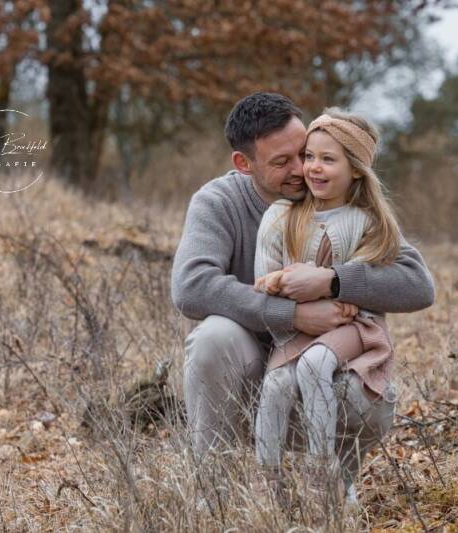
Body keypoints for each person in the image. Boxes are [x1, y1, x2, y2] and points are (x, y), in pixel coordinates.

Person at [170, 92, 435, 507]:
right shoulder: (218, 202)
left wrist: (332, 282)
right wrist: (292, 313)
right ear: (244, 165)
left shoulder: (348, 202)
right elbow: (191, 286)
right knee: (212, 337)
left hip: (326, 367)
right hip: (249, 370)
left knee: (357, 389)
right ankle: (214, 492)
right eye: (282, 162)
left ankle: (335, 485)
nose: (303, 170)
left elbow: (418, 284)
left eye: (305, 152)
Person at [253, 107, 402, 506]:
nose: (313, 168)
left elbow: (363, 290)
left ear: (355, 170)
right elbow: (264, 281)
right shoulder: (282, 216)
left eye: (328, 159)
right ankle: (267, 485)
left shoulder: (367, 222)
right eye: (310, 156)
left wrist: (328, 289)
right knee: (276, 385)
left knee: (315, 364)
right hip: (297, 329)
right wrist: (285, 284)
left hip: (353, 328)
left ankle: (322, 475)